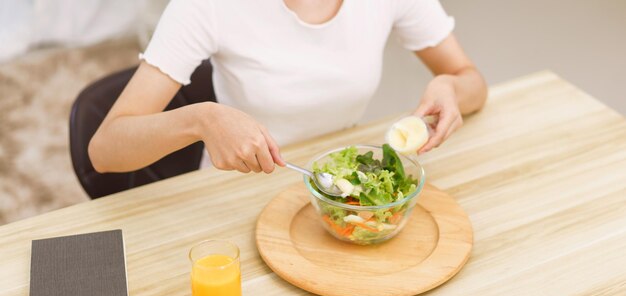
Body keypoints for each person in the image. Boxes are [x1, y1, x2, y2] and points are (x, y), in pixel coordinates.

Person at [89, 0, 487, 175]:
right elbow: (105, 150)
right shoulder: (207, 5)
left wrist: (450, 86)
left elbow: (473, 82)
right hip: (239, 192)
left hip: (340, 182)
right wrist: (201, 120)